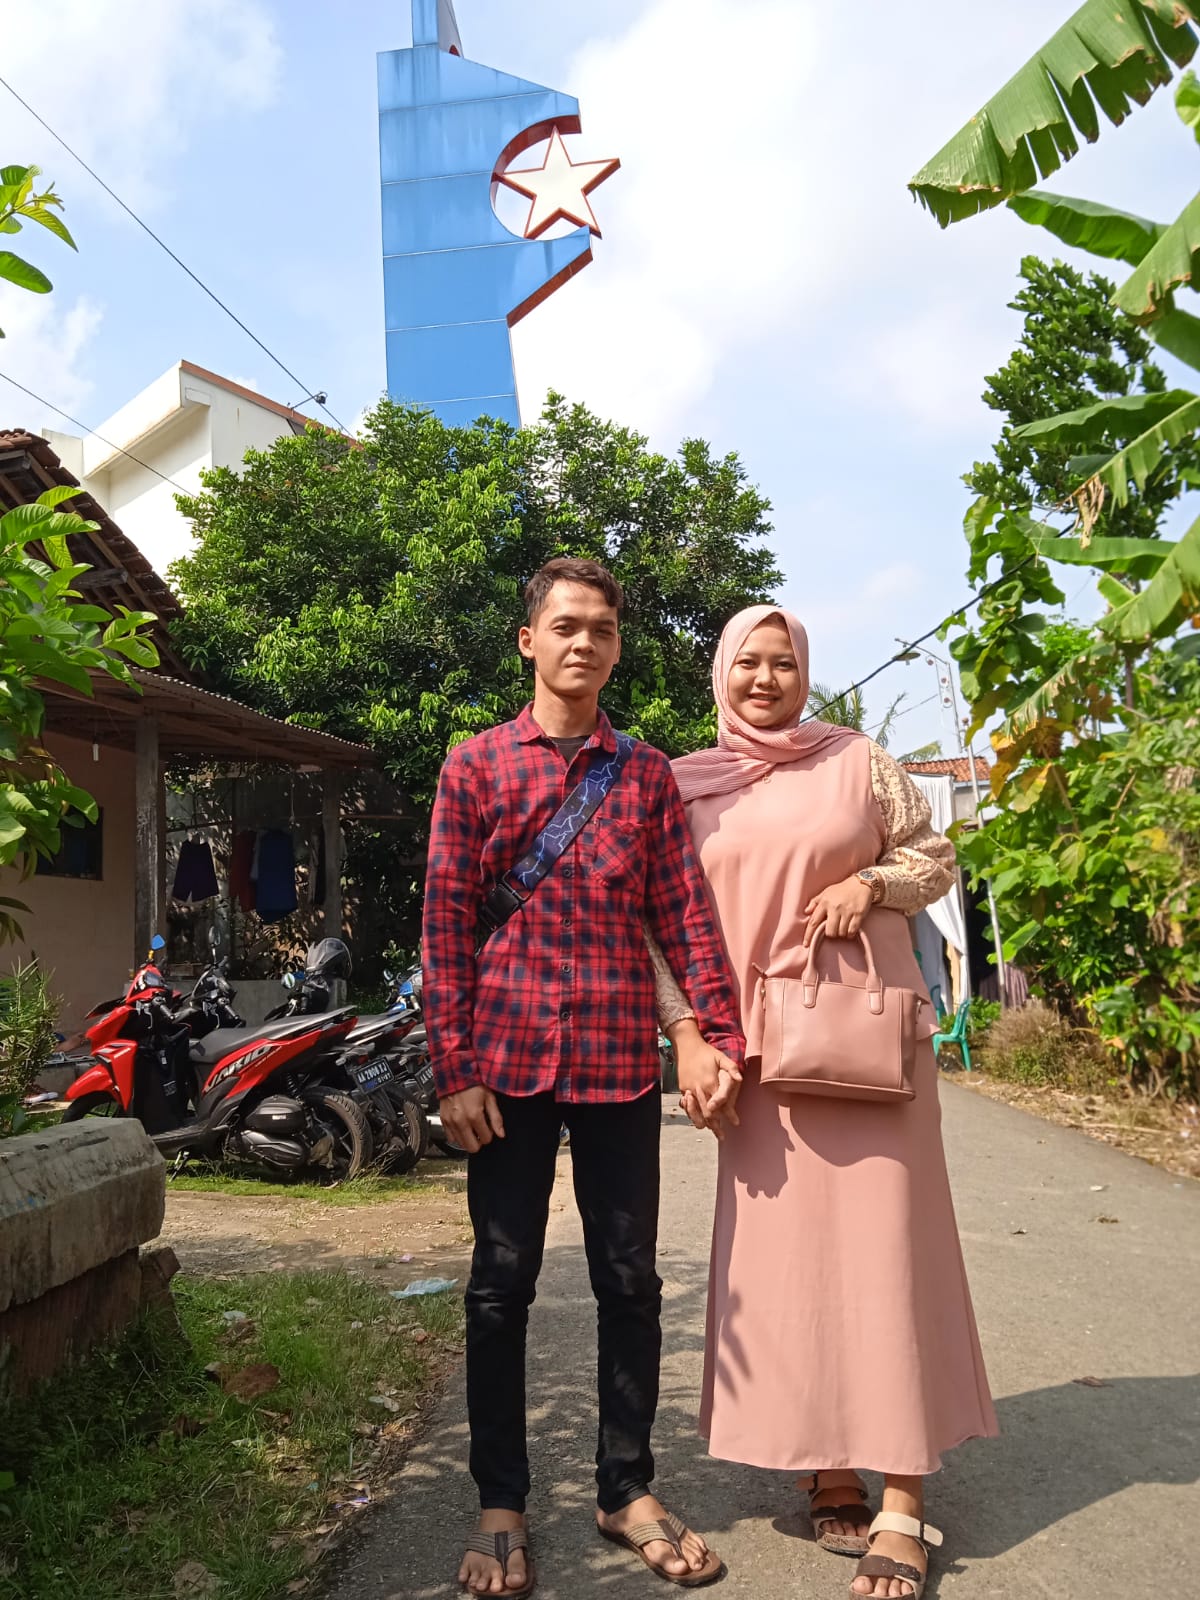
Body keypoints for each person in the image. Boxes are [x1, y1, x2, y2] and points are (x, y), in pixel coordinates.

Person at [654, 604, 999, 1600]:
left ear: (805, 673)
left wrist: (874, 885)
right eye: (748, 662)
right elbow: (655, 922)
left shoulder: (858, 760)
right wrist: (685, 1036)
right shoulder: (684, 783)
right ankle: (829, 1463)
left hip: (871, 1049)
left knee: (891, 1258)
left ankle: (903, 1494)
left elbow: (934, 855)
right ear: (722, 673)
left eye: (784, 663)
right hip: (758, 1061)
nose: (765, 679)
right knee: (791, 1271)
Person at [422, 558, 745, 1597]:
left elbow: (682, 912)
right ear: (530, 640)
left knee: (630, 1282)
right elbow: (443, 926)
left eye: (602, 629)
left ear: (615, 648)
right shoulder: (474, 766)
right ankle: (501, 1504)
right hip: (505, 1067)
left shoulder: (644, 774)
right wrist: (454, 1068)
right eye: (566, 625)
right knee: (499, 1283)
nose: (584, 643)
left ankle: (625, 1489)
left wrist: (715, 1038)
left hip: (615, 1063)